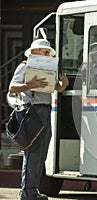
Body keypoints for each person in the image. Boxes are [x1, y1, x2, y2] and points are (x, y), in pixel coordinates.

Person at [9, 39, 69, 200]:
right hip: (33, 112)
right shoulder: (24, 66)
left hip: (45, 112)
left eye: (48, 52)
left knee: (41, 155)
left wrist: (62, 85)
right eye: (45, 51)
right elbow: (12, 88)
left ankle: (31, 191)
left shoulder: (48, 68)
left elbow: (54, 88)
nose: (48, 54)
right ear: (35, 52)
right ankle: (27, 192)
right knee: (33, 153)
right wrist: (30, 85)